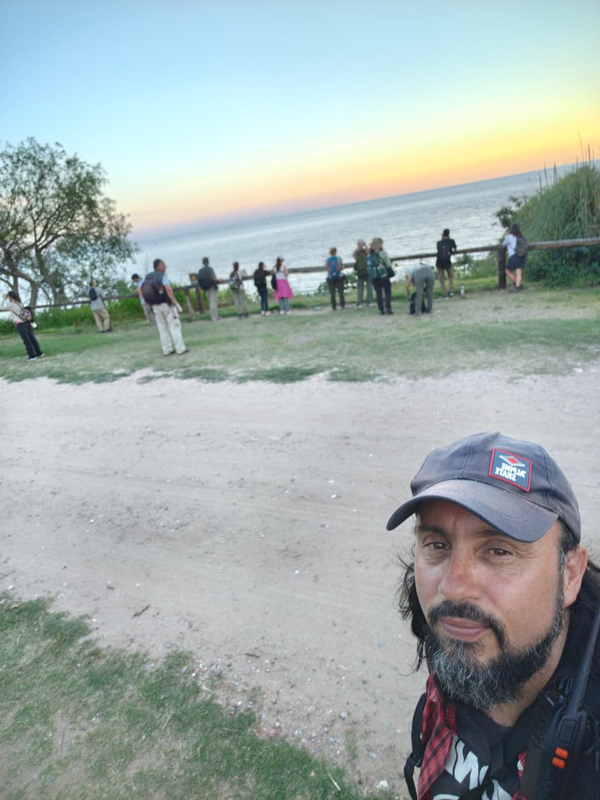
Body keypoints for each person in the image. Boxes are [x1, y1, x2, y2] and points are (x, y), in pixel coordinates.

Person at [387, 431, 600, 800]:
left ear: (569, 575)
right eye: (437, 545)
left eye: (499, 551)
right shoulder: (462, 639)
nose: (453, 587)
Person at [142, 259, 188, 356]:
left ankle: (167, 349)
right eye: (164, 265)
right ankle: (180, 348)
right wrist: (174, 301)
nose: (165, 266)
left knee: (162, 328)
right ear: (159, 266)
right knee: (174, 326)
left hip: (155, 306)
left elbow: (141, 290)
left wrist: (149, 302)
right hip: (166, 304)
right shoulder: (162, 276)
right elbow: (168, 289)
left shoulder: (147, 277)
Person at [0, 291, 44, 360]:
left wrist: (3, 299)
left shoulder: (12, 305)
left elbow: (0, 308)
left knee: (26, 340)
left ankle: (32, 356)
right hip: (27, 322)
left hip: (20, 324)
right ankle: (39, 353)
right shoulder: (19, 303)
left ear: (10, 297)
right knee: (32, 338)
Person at [367, 238, 393, 315]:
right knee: (387, 292)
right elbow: (388, 264)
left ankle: (381, 309)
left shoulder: (370, 254)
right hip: (383, 275)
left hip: (374, 277)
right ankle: (388, 308)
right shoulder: (383, 253)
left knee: (378, 293)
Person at [503, 222, 528, 293]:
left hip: (513, 256)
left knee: (507, 271)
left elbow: (503, 244)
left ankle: (516, 283)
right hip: (522, 256)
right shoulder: (521, 237)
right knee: (518, 272)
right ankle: (517, 286)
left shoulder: (509, 237)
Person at [436, 229, 457, 298]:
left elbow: (438, 250)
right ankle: (451, 291)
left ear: (442, 235)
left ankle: (444, 293)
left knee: (441, 279)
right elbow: (455, 248)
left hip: (439, 262)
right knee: (450, 277)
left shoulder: (439, 243)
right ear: (449, 234)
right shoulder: (451, 241)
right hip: (448, 262)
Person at [197, 256, 220, 321]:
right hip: (212, 287)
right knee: (213, 303)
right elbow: (213, 278)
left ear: (203, 262)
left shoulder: (200, 270)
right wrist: (220, 280)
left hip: (206, 288)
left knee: (210, 302)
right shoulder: (210, 269)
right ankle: (215, 317)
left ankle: (213, 317)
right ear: (208, 262)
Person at [353, 239, 373, 308]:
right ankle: (360, 302)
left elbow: (369, 252)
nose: (360, 245)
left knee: (368, 287)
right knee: (361, 288)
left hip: (365, 271)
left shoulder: (364, 251)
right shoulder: (357, 252)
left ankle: (368, 302)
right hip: (361, 271)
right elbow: (354, 255)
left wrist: (365, 246)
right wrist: (360, 248)